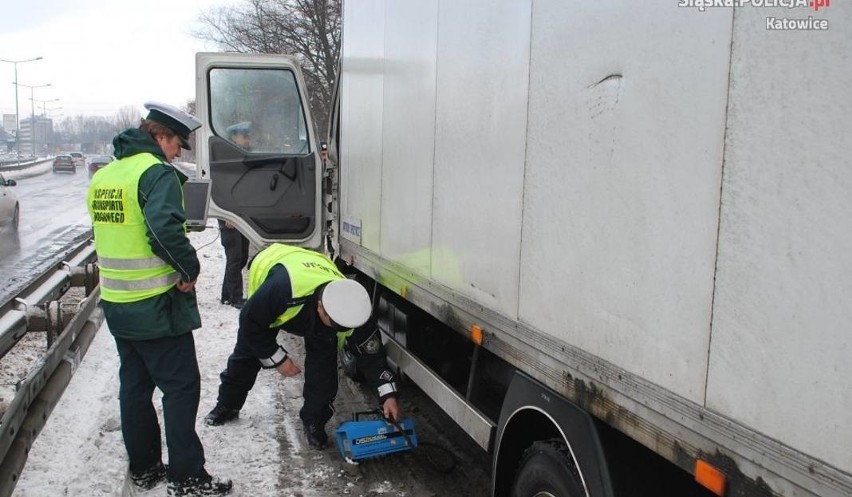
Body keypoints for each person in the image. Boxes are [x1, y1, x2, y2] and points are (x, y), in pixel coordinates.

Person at [87, 101, 233, 496]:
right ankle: (187, 477)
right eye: (176, 145)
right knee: (181, 387)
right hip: (155, 304)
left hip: (118, 303)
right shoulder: (155, 173)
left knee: (134, 386)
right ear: (158, 136)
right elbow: (163, 231)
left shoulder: (106, 175)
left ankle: (145, 467)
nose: (177, 154)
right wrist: (189, 269)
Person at [204, 243, 402, 450]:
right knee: (247, 353)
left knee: (323, 367)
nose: (340, 330)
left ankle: (314, 421)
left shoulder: (355, 310)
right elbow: (250, 322)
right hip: (275, 278)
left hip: (311, 277)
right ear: (320, 308)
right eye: (335, 325)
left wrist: (388, 395)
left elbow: (373, 357)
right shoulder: (280, 290)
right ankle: (228, 404)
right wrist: (277, 358)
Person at [217, 122, 252, 309]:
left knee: (241, 257)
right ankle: (236, 298)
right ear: (234, 137)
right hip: (230, 217)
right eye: (244, 136)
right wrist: (226, 216)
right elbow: (222, 190)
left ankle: (226, 294)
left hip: (241, 216)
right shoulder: (227, 159)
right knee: (235, 257)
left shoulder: (241, 157)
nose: (248, 139)